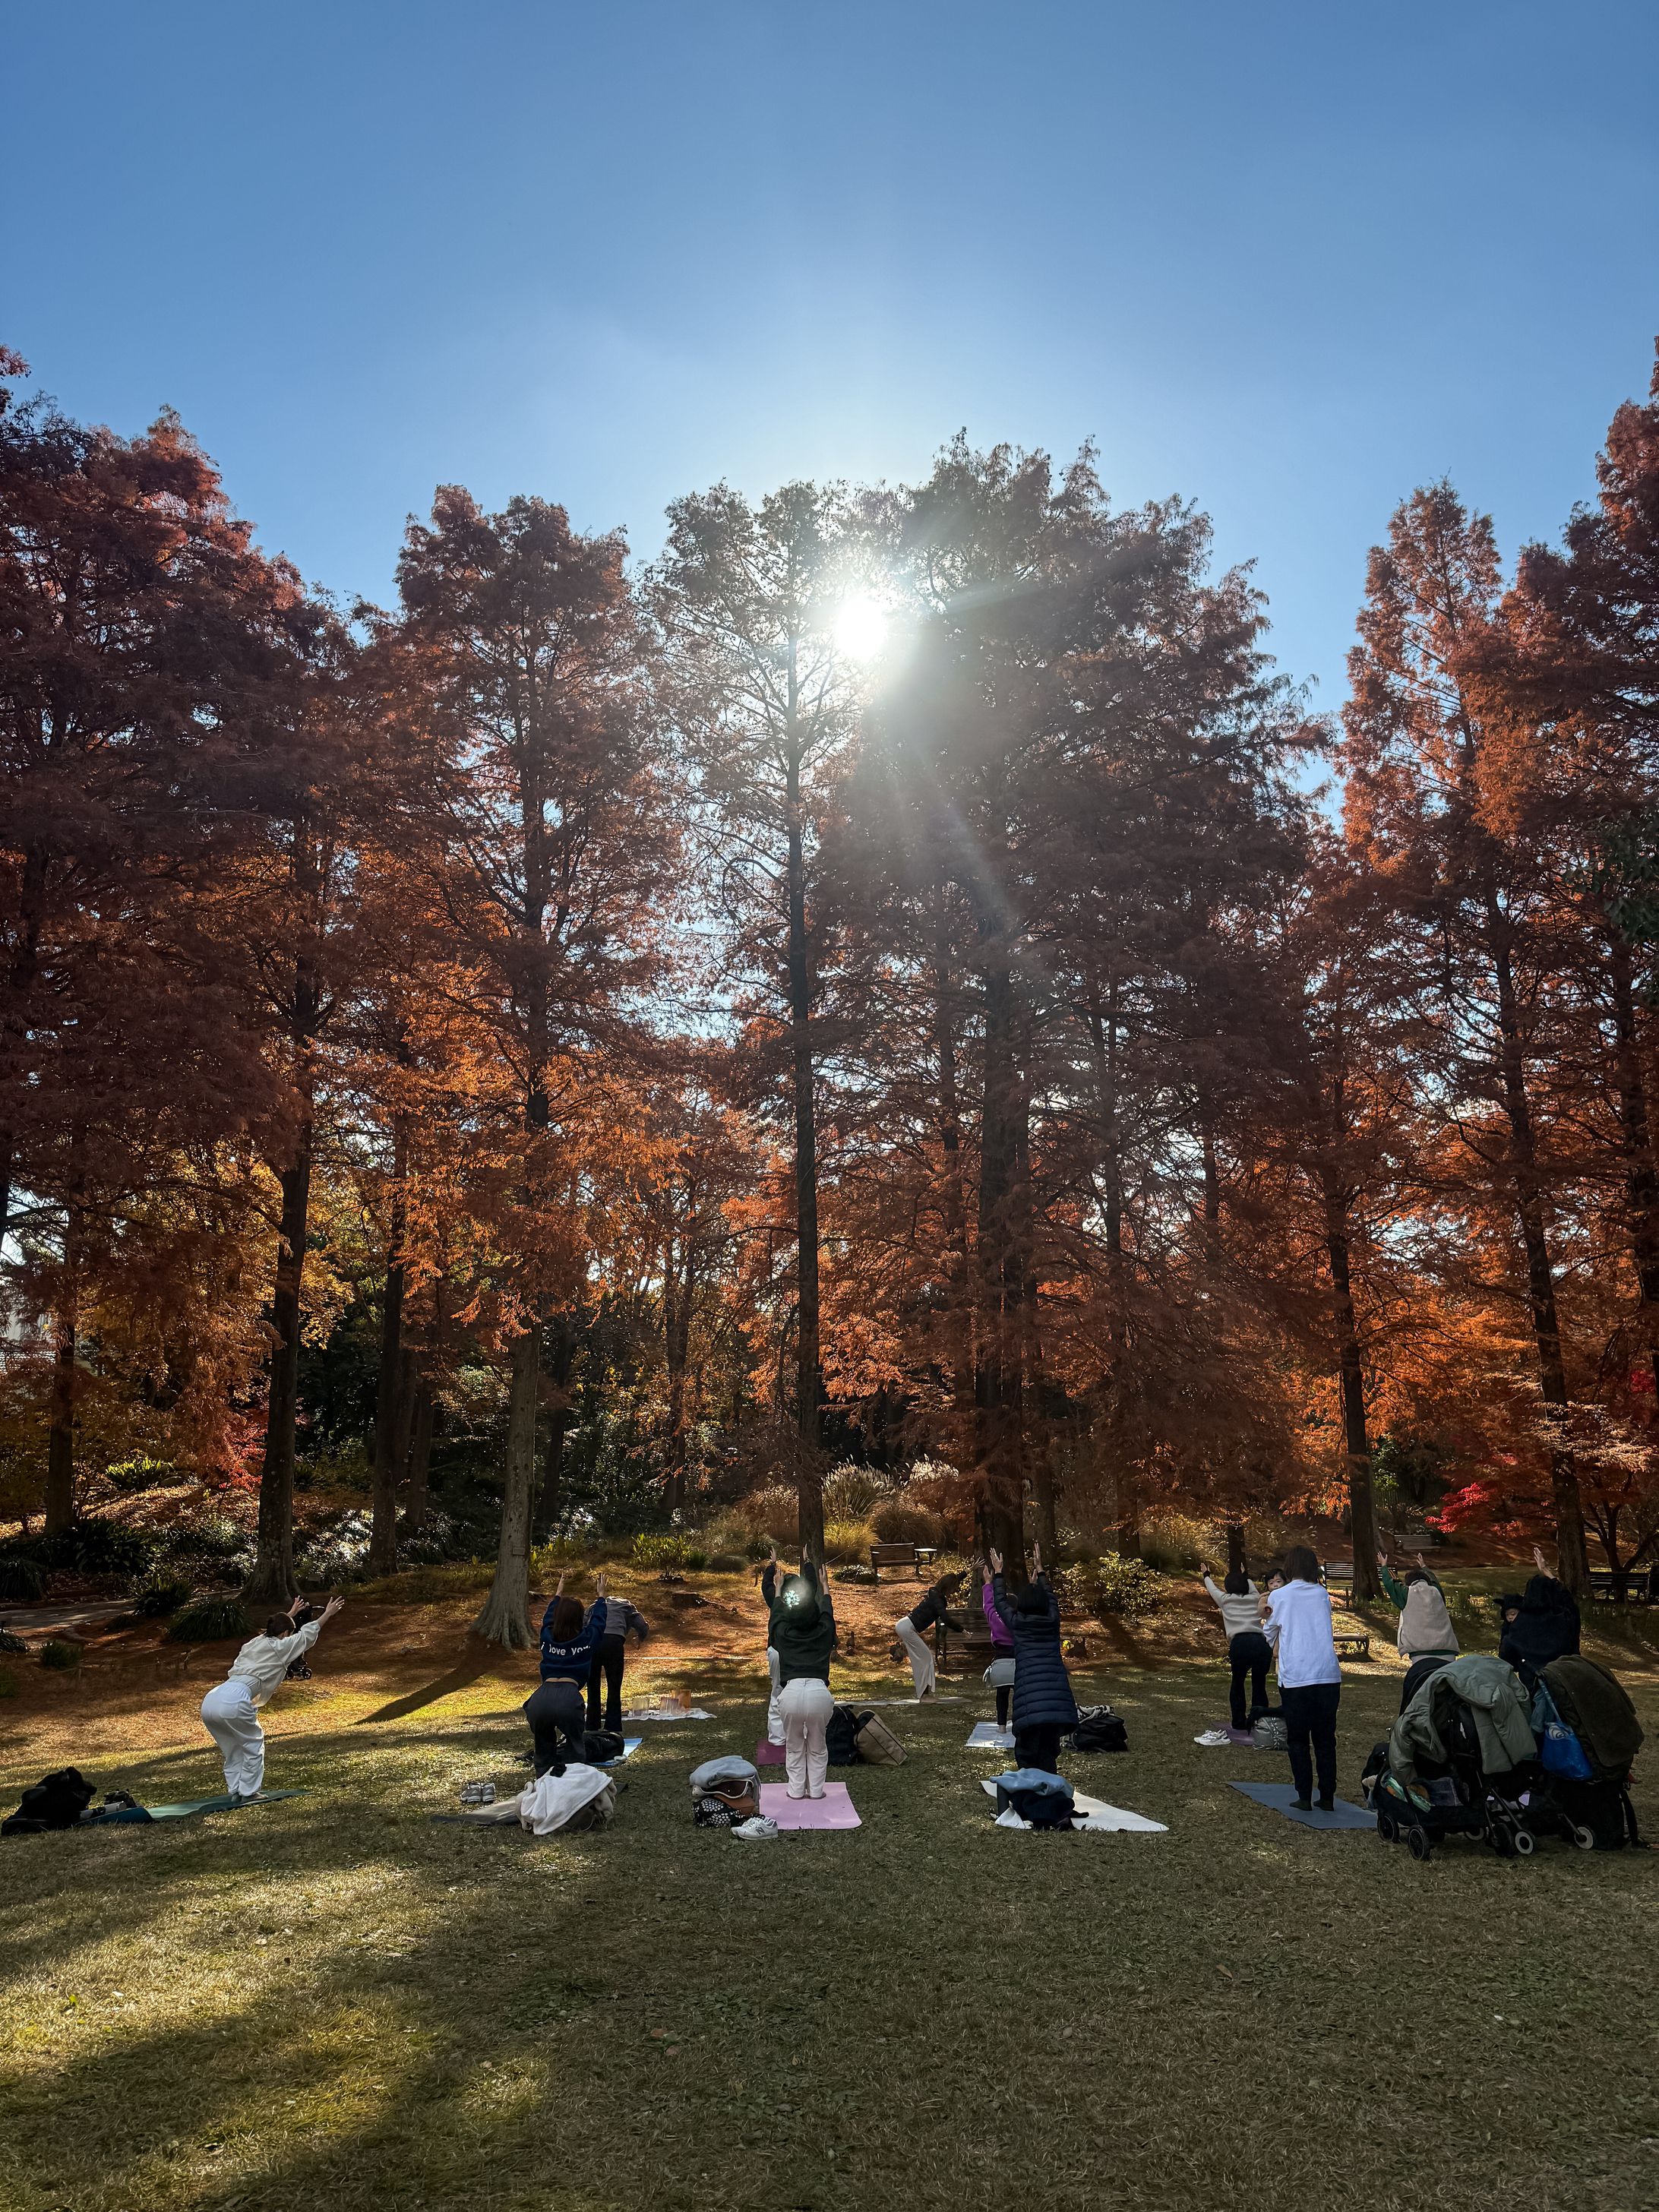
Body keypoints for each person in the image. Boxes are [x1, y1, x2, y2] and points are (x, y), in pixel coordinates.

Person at [198, 1594, 344, 1803]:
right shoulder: (280, 1647)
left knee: (233, 1749)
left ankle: (235, 1791)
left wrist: (291, 1613)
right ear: (285, 1633)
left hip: (212, 1699)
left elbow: (271, 1632)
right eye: (287, 1633)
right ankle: (249, 1792)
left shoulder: (252, 1644)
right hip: (235, 1698)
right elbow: (307, 1635)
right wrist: (328, 1614)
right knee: (253, 1743)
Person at [1260, 1545, 1341, 1812]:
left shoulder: (1280, 1596)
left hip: (1297, 1676)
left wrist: (1264, 1616)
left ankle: (1304, 1795)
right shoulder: (1321, 1594)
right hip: (1328, 1674)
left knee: (1298, 1739)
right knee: (1326, 1739)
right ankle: (1327, 1796)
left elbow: (1269, 1632)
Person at [988, 1542, 1078, 1774]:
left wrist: (998, 1573)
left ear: (1022, 1606)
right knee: (1049, 1756)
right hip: (1057, 1701)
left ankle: (1033, 1803)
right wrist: (1041, 1572)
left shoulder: (1018, 1624)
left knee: (1028, 1758)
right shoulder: (1052, 1622)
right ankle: (1050, 1801)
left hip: (1030, 1702)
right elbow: (1051, 1599)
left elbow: (999, 1603)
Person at [767, 1550, 838, 1798]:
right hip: (819, 1693)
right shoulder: (824, 1632)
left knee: (795, 1747)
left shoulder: (784, 1634)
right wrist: (824, 1586)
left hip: (791, 1694)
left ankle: (796, 1792)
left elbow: (776, 1616)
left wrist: (778, 1589)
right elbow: (828, 1611)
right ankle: (817, 1792)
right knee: (818, 1747)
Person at [525, 1573, 610, 1777]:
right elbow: (599, 1622)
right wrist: (601, 1598)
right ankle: (573, 1788)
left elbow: (547, 1619)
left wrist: (557, 1596)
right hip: (569, 1697)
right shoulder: (587, 1639)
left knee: (543, 1752)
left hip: (541, 1698)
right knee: (574, 1750)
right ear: (580, 1618)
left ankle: (544, 1786)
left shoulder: (546, 1637)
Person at [1202, 1565, 1272, 1733]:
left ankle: (1239, 1721)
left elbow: (1211, 1588)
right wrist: (1246, 1575)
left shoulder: (1225, 1600)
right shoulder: (1255, 1597)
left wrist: (1206, 1574)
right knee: (1259, 1683)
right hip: (1260, 1642)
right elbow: (1252, 1587)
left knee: (1238, 1682)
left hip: (1240, 1643)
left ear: (1227, 1587)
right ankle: (1259, 1720)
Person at [1499, 1546, 1582, 1684]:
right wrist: (1548, 1572)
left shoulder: (1519, 1625)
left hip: (1535, 1687)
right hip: (1568, 1683)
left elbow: (1506, 1658)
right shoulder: (1565, 1619)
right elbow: (1569, 1602)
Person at [892, 1570, 968, 1699]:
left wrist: (967, 1571)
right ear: (948, 1587)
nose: (955, 1590)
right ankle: (924, 1695)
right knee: (925, 1658)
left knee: (924, 1659)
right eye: (954, 1587)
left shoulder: (935, 1593)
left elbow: (953, 1579)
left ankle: (924, 1694)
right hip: (906, 1628)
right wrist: (962, 1630)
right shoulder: (938, 1600)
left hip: (905, 1626)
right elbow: (946, 1619)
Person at [1377, 1546, 1459, 1661]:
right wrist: (1424, 1566)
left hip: (1420, 1651)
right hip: (1447, 1649)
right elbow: (1434, 1580)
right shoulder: (1436, 1592)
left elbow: (1391, 1584)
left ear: (1409, 1583)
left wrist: (1384, 1566)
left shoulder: (1407, 1593)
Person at [586, 1592, 650, 1734]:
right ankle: (613, 1726)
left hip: (593, 1641)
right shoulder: (627, 1606)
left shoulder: (594, 1606)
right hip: (614, 1643)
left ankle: (591, 1725)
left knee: (593, 1685)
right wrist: (640, 1637)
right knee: (614, 1686)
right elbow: (642, 1625)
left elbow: (584, 1623)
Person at [981, 1557, 1016, 1728]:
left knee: (1001, 1695)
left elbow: (988, 1605)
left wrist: (988, 1583)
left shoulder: (995, 1619)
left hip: (1001, 1664)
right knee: (1020, 1696)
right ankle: (1018, 1724)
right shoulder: (1021, 1622)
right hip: (1019, 1664)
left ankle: (1001, 1726)